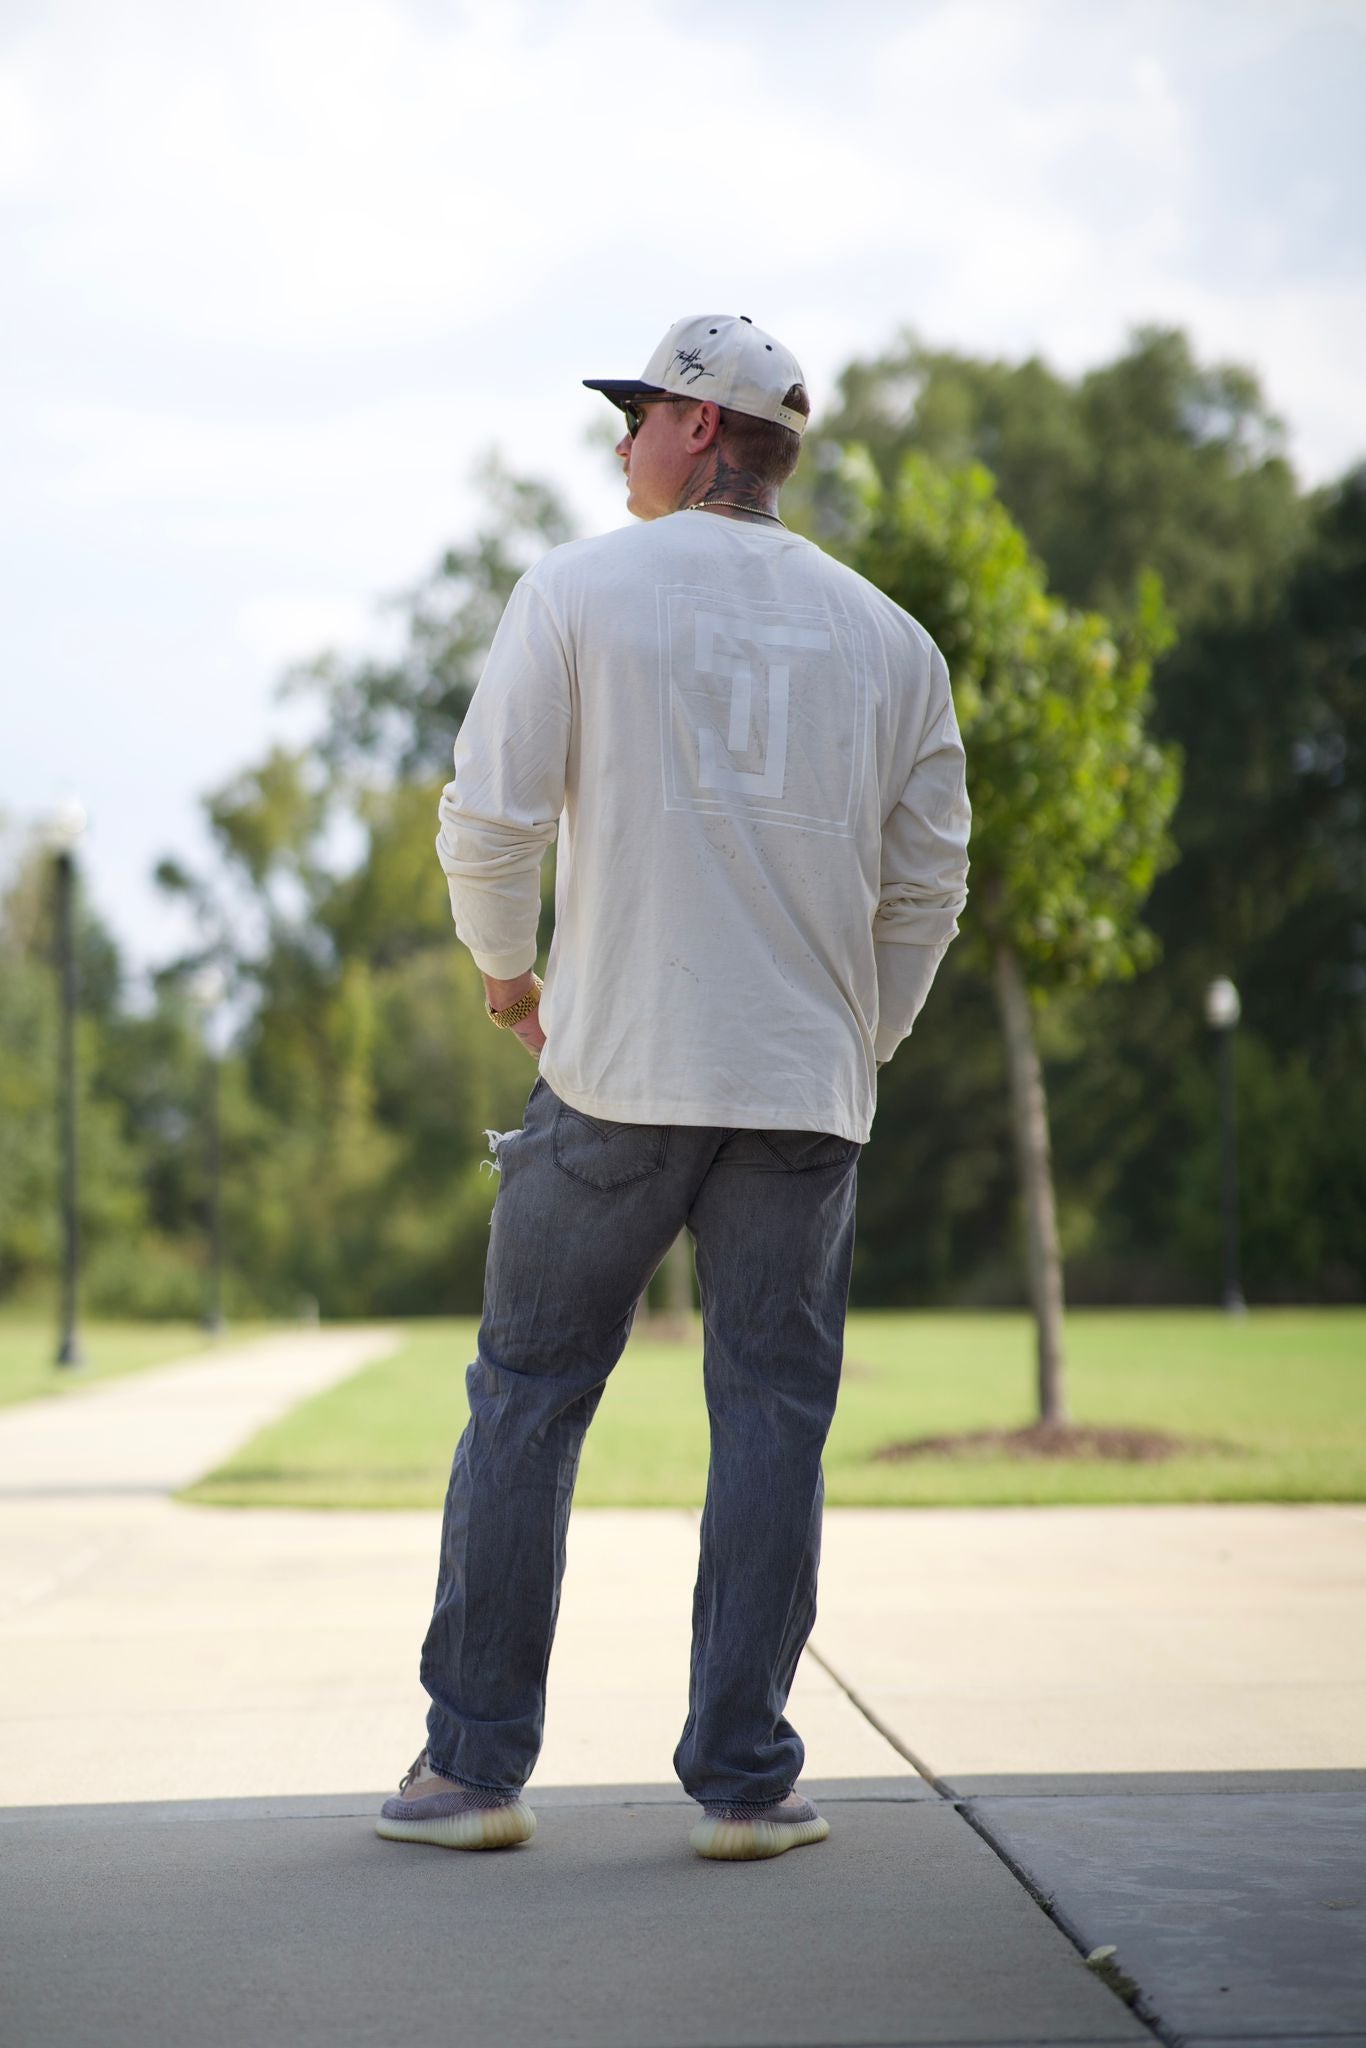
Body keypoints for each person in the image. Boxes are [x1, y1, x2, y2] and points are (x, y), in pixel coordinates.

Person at [377, 313, 971, 1862]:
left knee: (524, 1402)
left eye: (637, 410)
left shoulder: (575, 589)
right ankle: (746, 1782)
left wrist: (507, 972)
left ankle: (470, 1772)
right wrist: (863, 1037)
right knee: (769, 1420)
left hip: (618, 1065)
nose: (619, 436)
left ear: (700, 429)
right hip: (802, 1091)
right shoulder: (892, 640)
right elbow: (927, 890)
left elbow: (490, 819)